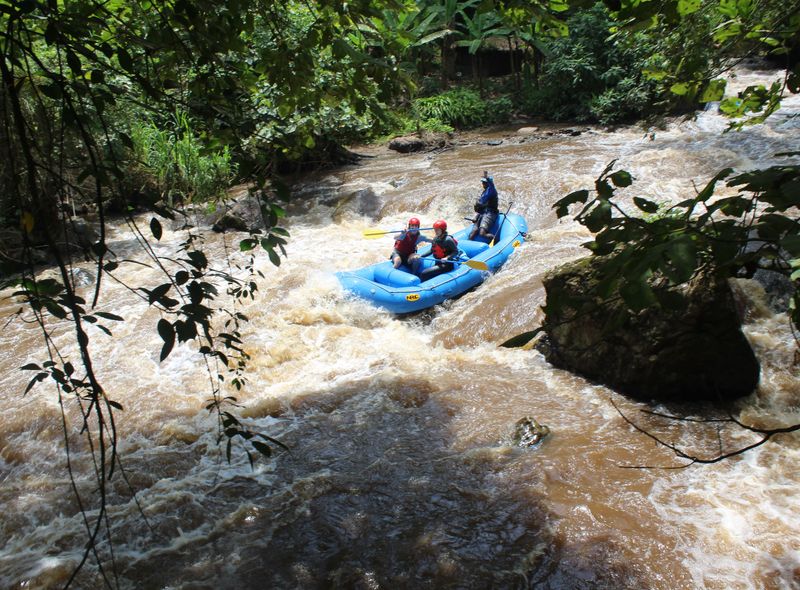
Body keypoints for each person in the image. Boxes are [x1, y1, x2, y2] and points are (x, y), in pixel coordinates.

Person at [469, 171, 499, 242]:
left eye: (484, 182)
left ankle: (496, 241)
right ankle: (468, 243)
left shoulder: (492, 190)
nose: (483, 184)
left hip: (491, 213)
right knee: (473, 232)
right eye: (483, 182)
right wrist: (476, 216)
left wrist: (487, 178)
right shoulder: (484, 192)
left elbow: (491, 184)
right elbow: (481, 207)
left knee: (482, 233)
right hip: (483, 213)